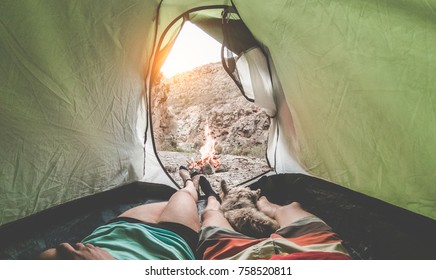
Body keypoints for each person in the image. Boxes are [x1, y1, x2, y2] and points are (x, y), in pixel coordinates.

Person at [38, 166, 201, 260]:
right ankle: (190, 184)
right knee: (184, 197)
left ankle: (188, 188)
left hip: (120, 230)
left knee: (173, 201)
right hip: (172, 241)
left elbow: (46, 257)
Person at [196, 176, 351, 260]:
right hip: (320, 252)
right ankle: (264, 204)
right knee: (292, 207)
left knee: (211, 214)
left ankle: (212, 197)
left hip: (238, 260)